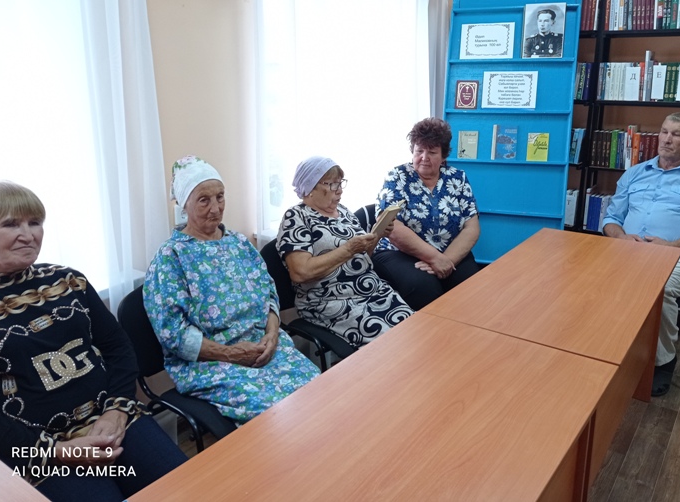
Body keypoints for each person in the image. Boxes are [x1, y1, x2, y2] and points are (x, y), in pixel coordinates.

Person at [0, 181, 186, 502]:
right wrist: (59, 451)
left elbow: (117, 347)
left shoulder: (69, 281)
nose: (28, 234)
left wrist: (116, 411)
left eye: (34, 222)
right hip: (40, 452)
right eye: (11, 224)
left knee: (185, 490)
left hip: (113, 420)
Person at [144, 155, 319, 425]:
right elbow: (173, 334)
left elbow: (269, 294)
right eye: (204, 200)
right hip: (213, 363)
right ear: (184, 204)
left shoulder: (238, 243)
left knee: (318, 393)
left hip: (265, 347)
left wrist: (272, 334)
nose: (215, 208)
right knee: (279, 418)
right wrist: (232, 354)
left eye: (220, 197)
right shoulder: (170, 258)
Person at [602, 113, 680, 397]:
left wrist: (671, 246)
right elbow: (611, 219)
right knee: (584, 277)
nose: (666, 140)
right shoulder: (634, 173)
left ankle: (662, 361)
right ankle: (603, 348)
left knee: (654, 289)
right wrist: (621, 237)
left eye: (677, 134)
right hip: (626, 249)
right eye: (664, 132)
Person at [277, 156, 414, 348]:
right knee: (391, 344)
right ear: (310, 187)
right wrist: (348, 249)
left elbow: (362, 258)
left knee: (413, 329)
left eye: (340, 183)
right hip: (331, 301)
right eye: (332, 184)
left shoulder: (344, 212)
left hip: (372, 292)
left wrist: (377, 236)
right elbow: (301, 272)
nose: (339, 190)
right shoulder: (296, 217)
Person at [373, 118, 482, 310]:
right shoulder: (397, 177)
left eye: (432, 152)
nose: (424, 157)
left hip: (449, 252)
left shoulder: (458, 178)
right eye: (419, 151)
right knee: (424, 287)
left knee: (470, 286)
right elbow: (393, 227)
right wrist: (434, 259)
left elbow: (471, 227)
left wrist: (447, 260)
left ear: (443, 155)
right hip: (400, 253)